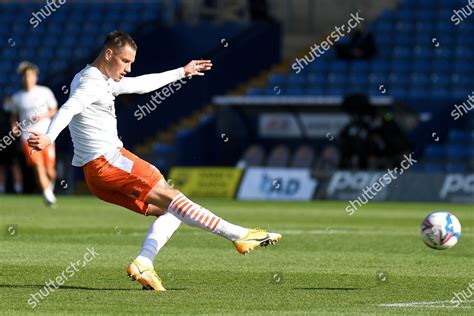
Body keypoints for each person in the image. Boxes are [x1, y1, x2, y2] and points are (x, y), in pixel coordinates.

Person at [28, 31, 281, 292]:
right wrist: (49, 136)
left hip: (97, 177)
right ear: (108, 54)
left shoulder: (96, 78)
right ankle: (239, 235)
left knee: (174, 211)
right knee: (176, 199)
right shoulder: (91, 82)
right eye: (125, 61)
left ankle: (144, 262)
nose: (128, 68)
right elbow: (71, 107)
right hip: (110, 161)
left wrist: (182, 71)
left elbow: (140, 84)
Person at [10, 62, 57, 205]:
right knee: (38, 166)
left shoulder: (45, 92)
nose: (27, 79)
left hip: (46, 136)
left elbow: (54, 110)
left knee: (50, 171)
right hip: (28, 138)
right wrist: (14, 127)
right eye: (24, 76)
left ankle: (50, 187)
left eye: (30, 76)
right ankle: (48, 195)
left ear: (35, 77)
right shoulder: (17, 97)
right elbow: (14, 115)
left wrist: (42, 116)